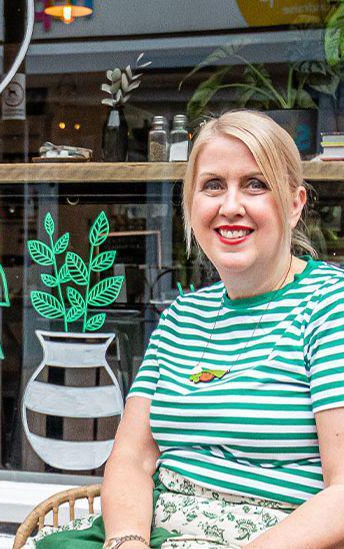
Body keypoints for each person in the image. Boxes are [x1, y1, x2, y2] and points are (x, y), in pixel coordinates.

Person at [31, 110, 344, 548]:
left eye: (255, 184)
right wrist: (127, 541)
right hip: (157, 528)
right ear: (191, 206)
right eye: (213, 185)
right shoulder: (183, 316)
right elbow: (133, 459)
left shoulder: (330, 305)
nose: (230, 206)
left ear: (294, 205)